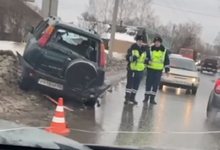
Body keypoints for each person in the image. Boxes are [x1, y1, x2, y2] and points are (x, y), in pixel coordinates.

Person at [125, 35, 150, 105]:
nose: (140, 42)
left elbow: (147, 58)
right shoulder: (132, 48)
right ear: (136, 41)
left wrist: (147, 61)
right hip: (132, 69)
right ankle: (127, 98)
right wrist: (132, 58)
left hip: (140, 70)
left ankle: (132, 98)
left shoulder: (145, 50)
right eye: (139, 41)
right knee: (129, 84)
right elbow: (127, 57)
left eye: (141, 41)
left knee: (136, 85)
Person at [143, 36, 170, 105]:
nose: (157, 43)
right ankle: (146, 98)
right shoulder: (150, 49)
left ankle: (152, 99)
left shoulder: (164, 51)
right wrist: (148, 61)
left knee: (155, 85)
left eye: (158, 42)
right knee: (148, 84)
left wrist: (167, 71)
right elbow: (145, 58)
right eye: (156, 42)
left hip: (158, 70)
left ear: (160, 43)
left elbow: (166, 61)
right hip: (150, 69)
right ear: (154, 43)